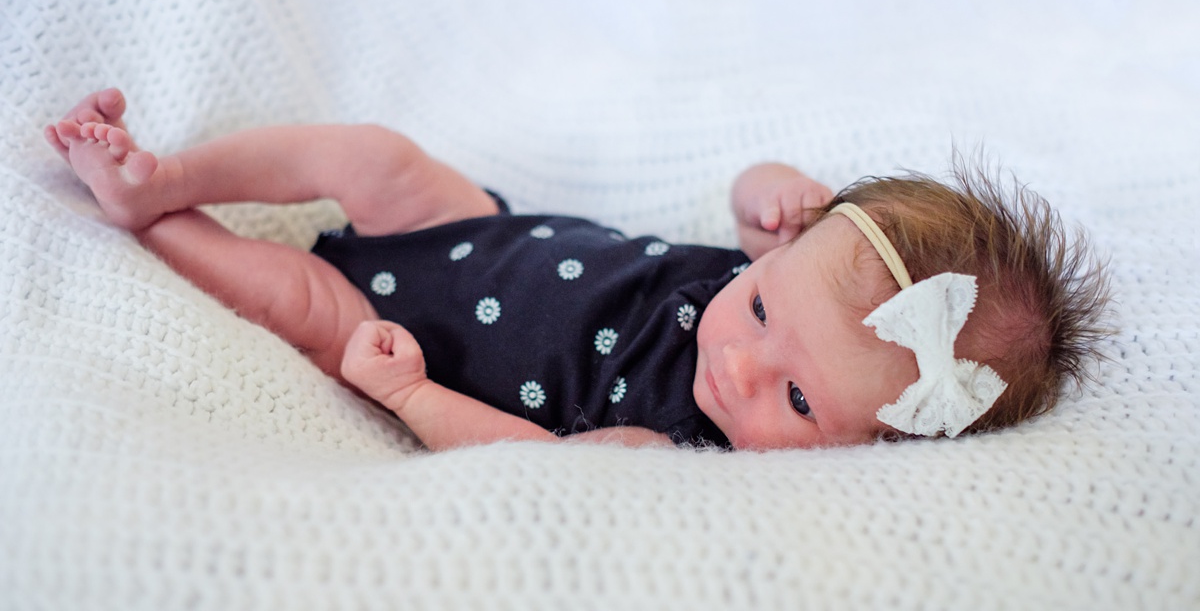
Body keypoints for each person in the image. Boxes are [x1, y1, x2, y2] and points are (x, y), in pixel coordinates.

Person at [45, 89, 1112, 451]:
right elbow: (762, 203)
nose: (739, 365)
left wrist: (409, 391)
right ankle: (161, 173)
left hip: (397, 334)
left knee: (282, 297)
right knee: (370, 155)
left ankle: (148, 220)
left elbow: (529, 451)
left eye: (796, 398)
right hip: (471, 225)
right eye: (755, 308)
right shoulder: (799, 270)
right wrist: (767, 193)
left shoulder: (672, 440)